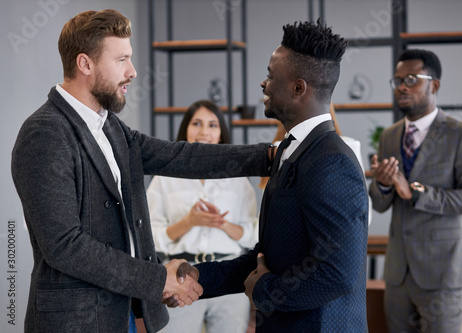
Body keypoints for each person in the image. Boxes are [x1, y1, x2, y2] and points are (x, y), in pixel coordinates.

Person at [10, 9, 272, 333]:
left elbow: (181, 156)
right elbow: (66, 246)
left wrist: (270, 156)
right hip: (75, 322)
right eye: (121, 60)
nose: (133, 72)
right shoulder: (45, 134)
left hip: (121, 315)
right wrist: (158, 280)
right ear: (85, 64)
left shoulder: (110, 127)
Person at [194, 20, 369, 332]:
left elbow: (338, 273)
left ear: (298, 88)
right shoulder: (290, 151)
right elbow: (269, 258)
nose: (264, 84)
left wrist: (264, 292)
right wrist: (198, 278)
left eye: (271, 76)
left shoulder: (333, 162)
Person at [369, 49, 462, 333]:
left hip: (443, 275)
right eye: (397, 80)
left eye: (411, 78)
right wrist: (384, 184)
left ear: (434, 85)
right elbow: (379, 203)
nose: (401, 86)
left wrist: (416, 193)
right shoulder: (389, 136)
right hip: (398, 274)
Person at [147, 100, 257, 333]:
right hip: (180, 276)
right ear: (185, 129)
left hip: (229, 277)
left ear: (221, 133)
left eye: (212, 125)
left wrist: (223, 224)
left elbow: (254, 235)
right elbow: (149, 236)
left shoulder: (238, 179)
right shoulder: (164, 178)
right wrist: (189, 223)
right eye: (196, 123)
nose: (204, 131)